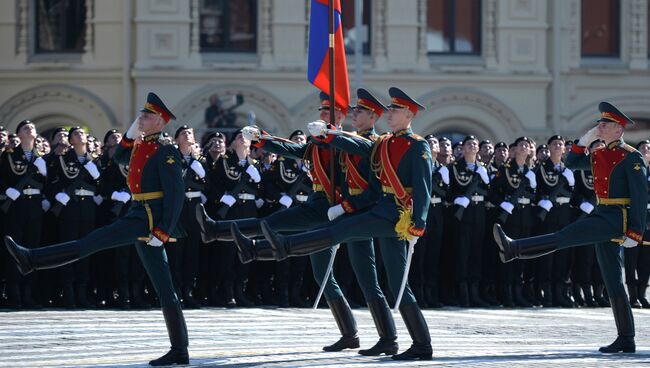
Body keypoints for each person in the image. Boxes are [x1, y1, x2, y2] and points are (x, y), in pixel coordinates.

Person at [234, 87, 433, 361]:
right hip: (384, 212)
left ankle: (283, 245)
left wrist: (419, 222)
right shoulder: (385, 143)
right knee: (398, 283)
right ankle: (413, 343)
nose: (390, 113)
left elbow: (423, 187)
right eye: (390, 108)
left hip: (397, 214)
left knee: (341, 231)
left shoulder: (418, 145)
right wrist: (328, 135)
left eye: (395, 110)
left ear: (410, 115)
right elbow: (359, 145)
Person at [4, 92, 190, 366]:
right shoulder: (141, 145)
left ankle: (32, 259)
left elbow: (176, 195)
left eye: (148, 115)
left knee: (91, 241)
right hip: (139, 213)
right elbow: (120, 157)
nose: (142, 117)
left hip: (148, 218)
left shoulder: (167, 152)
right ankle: (180, 350)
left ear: (161, 123)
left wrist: (162, 231)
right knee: (165, 287)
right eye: (142, 113)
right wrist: (133, 128)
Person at [494, 101, 646, 353]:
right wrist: (584, 141)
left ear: (619, 130)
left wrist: (636, 231)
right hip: (603, 213)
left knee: (565, 236)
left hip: (616, 218)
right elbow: (573, 163)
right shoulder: (599, 154)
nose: (600, 127)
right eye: (599, 123)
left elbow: (640, 197)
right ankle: (626, 338)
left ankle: (514, 249)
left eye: (605, 124)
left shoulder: (631, 157)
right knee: (613, 281)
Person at [0, 120, 48, 309]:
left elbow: (51, 182)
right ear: (18, 135)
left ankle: (28, 294)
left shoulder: (43, 156)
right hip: (16, 205)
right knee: (15, 249)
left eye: (32, 127)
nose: (30, 128)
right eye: (25, 127)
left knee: (33, 248)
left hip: (35, 205)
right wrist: (6, 190)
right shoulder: (9, 155)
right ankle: (14, 294)